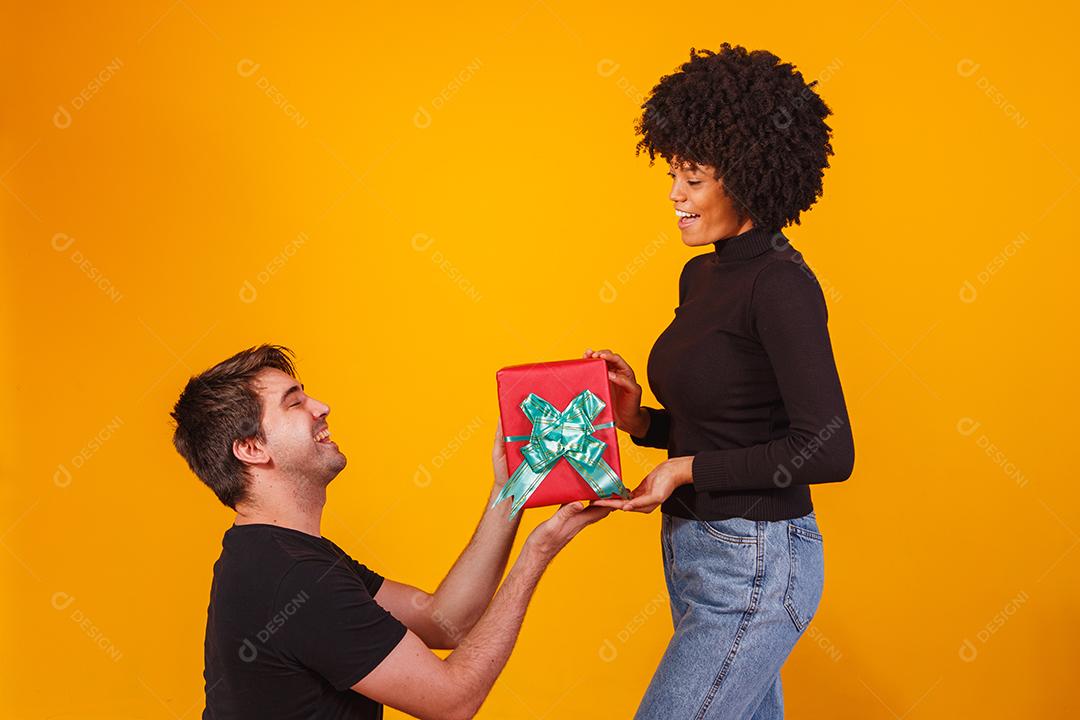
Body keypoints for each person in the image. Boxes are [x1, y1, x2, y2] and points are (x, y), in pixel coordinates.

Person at [589, 43, 856, 719]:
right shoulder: (701, 275)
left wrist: (684, 470)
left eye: (694, 178)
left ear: (744, 179)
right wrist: (641, 422)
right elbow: (729, 424)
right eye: (673, 174)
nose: (675, 195)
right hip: (696, 554)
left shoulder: (781, 284)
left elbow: (828, 449)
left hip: (757, 562)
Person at [170, 344, 610, 719]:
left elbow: (445, 620)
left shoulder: (279, 554)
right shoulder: (291, 577)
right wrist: (538, 552)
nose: (321, 407)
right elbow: (452, 701)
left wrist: (510, 489)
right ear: (251, 448)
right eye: (294, 402)